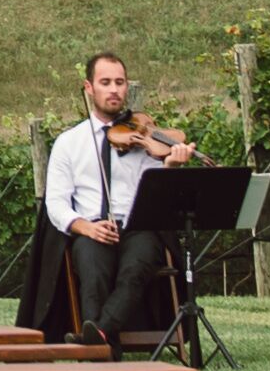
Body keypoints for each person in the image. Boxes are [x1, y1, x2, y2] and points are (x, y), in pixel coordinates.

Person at [40, 54, 197, 347]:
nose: (114, 89)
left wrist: (171, 166)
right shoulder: (69, 143)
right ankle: (105, 347)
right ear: (89, 88)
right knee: (91, 267)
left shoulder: (144, 138)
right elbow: (56, 203)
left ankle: (98, 336)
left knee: (136, 266)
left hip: (138, 227)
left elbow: (157, 196)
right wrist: (85, 227)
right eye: (105, 82)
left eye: (119, 82)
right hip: (92, 227)